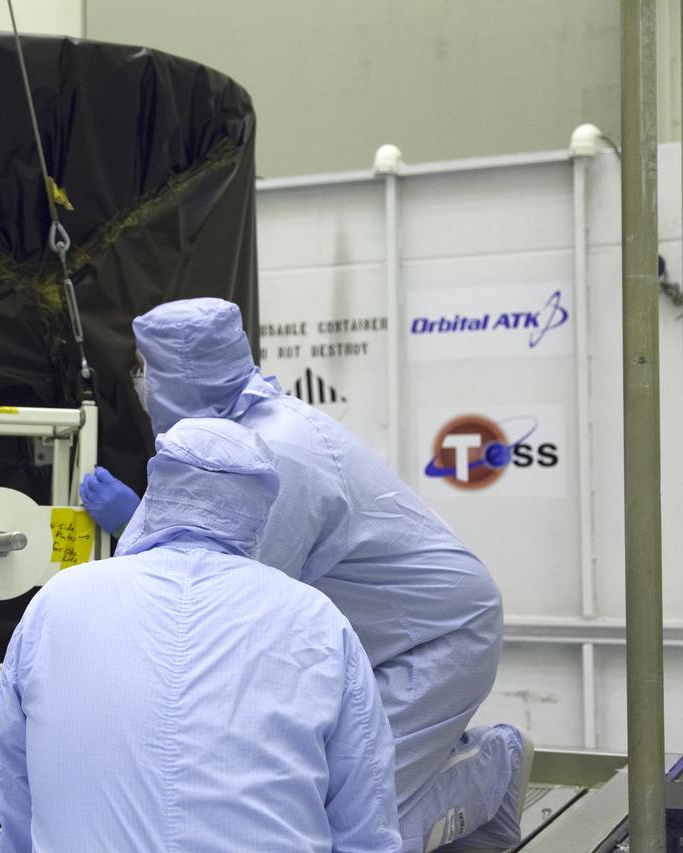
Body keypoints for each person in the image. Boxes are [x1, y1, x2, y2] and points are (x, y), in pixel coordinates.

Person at [79, 298, 530, 853]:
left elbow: (226, 602)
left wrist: (132, 526)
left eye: (145, 368)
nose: (140, 384)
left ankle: (490, 771)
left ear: (181, 374)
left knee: (346, 827)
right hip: (369, 643)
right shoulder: (229, 438)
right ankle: (440, 760)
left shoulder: (280, 451)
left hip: (433, 643)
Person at [0, 417, 402, 853]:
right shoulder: (316, 619)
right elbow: (366, 816)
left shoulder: (57, 603)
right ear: (262, 508)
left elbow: (13, 782)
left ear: (156, 491)